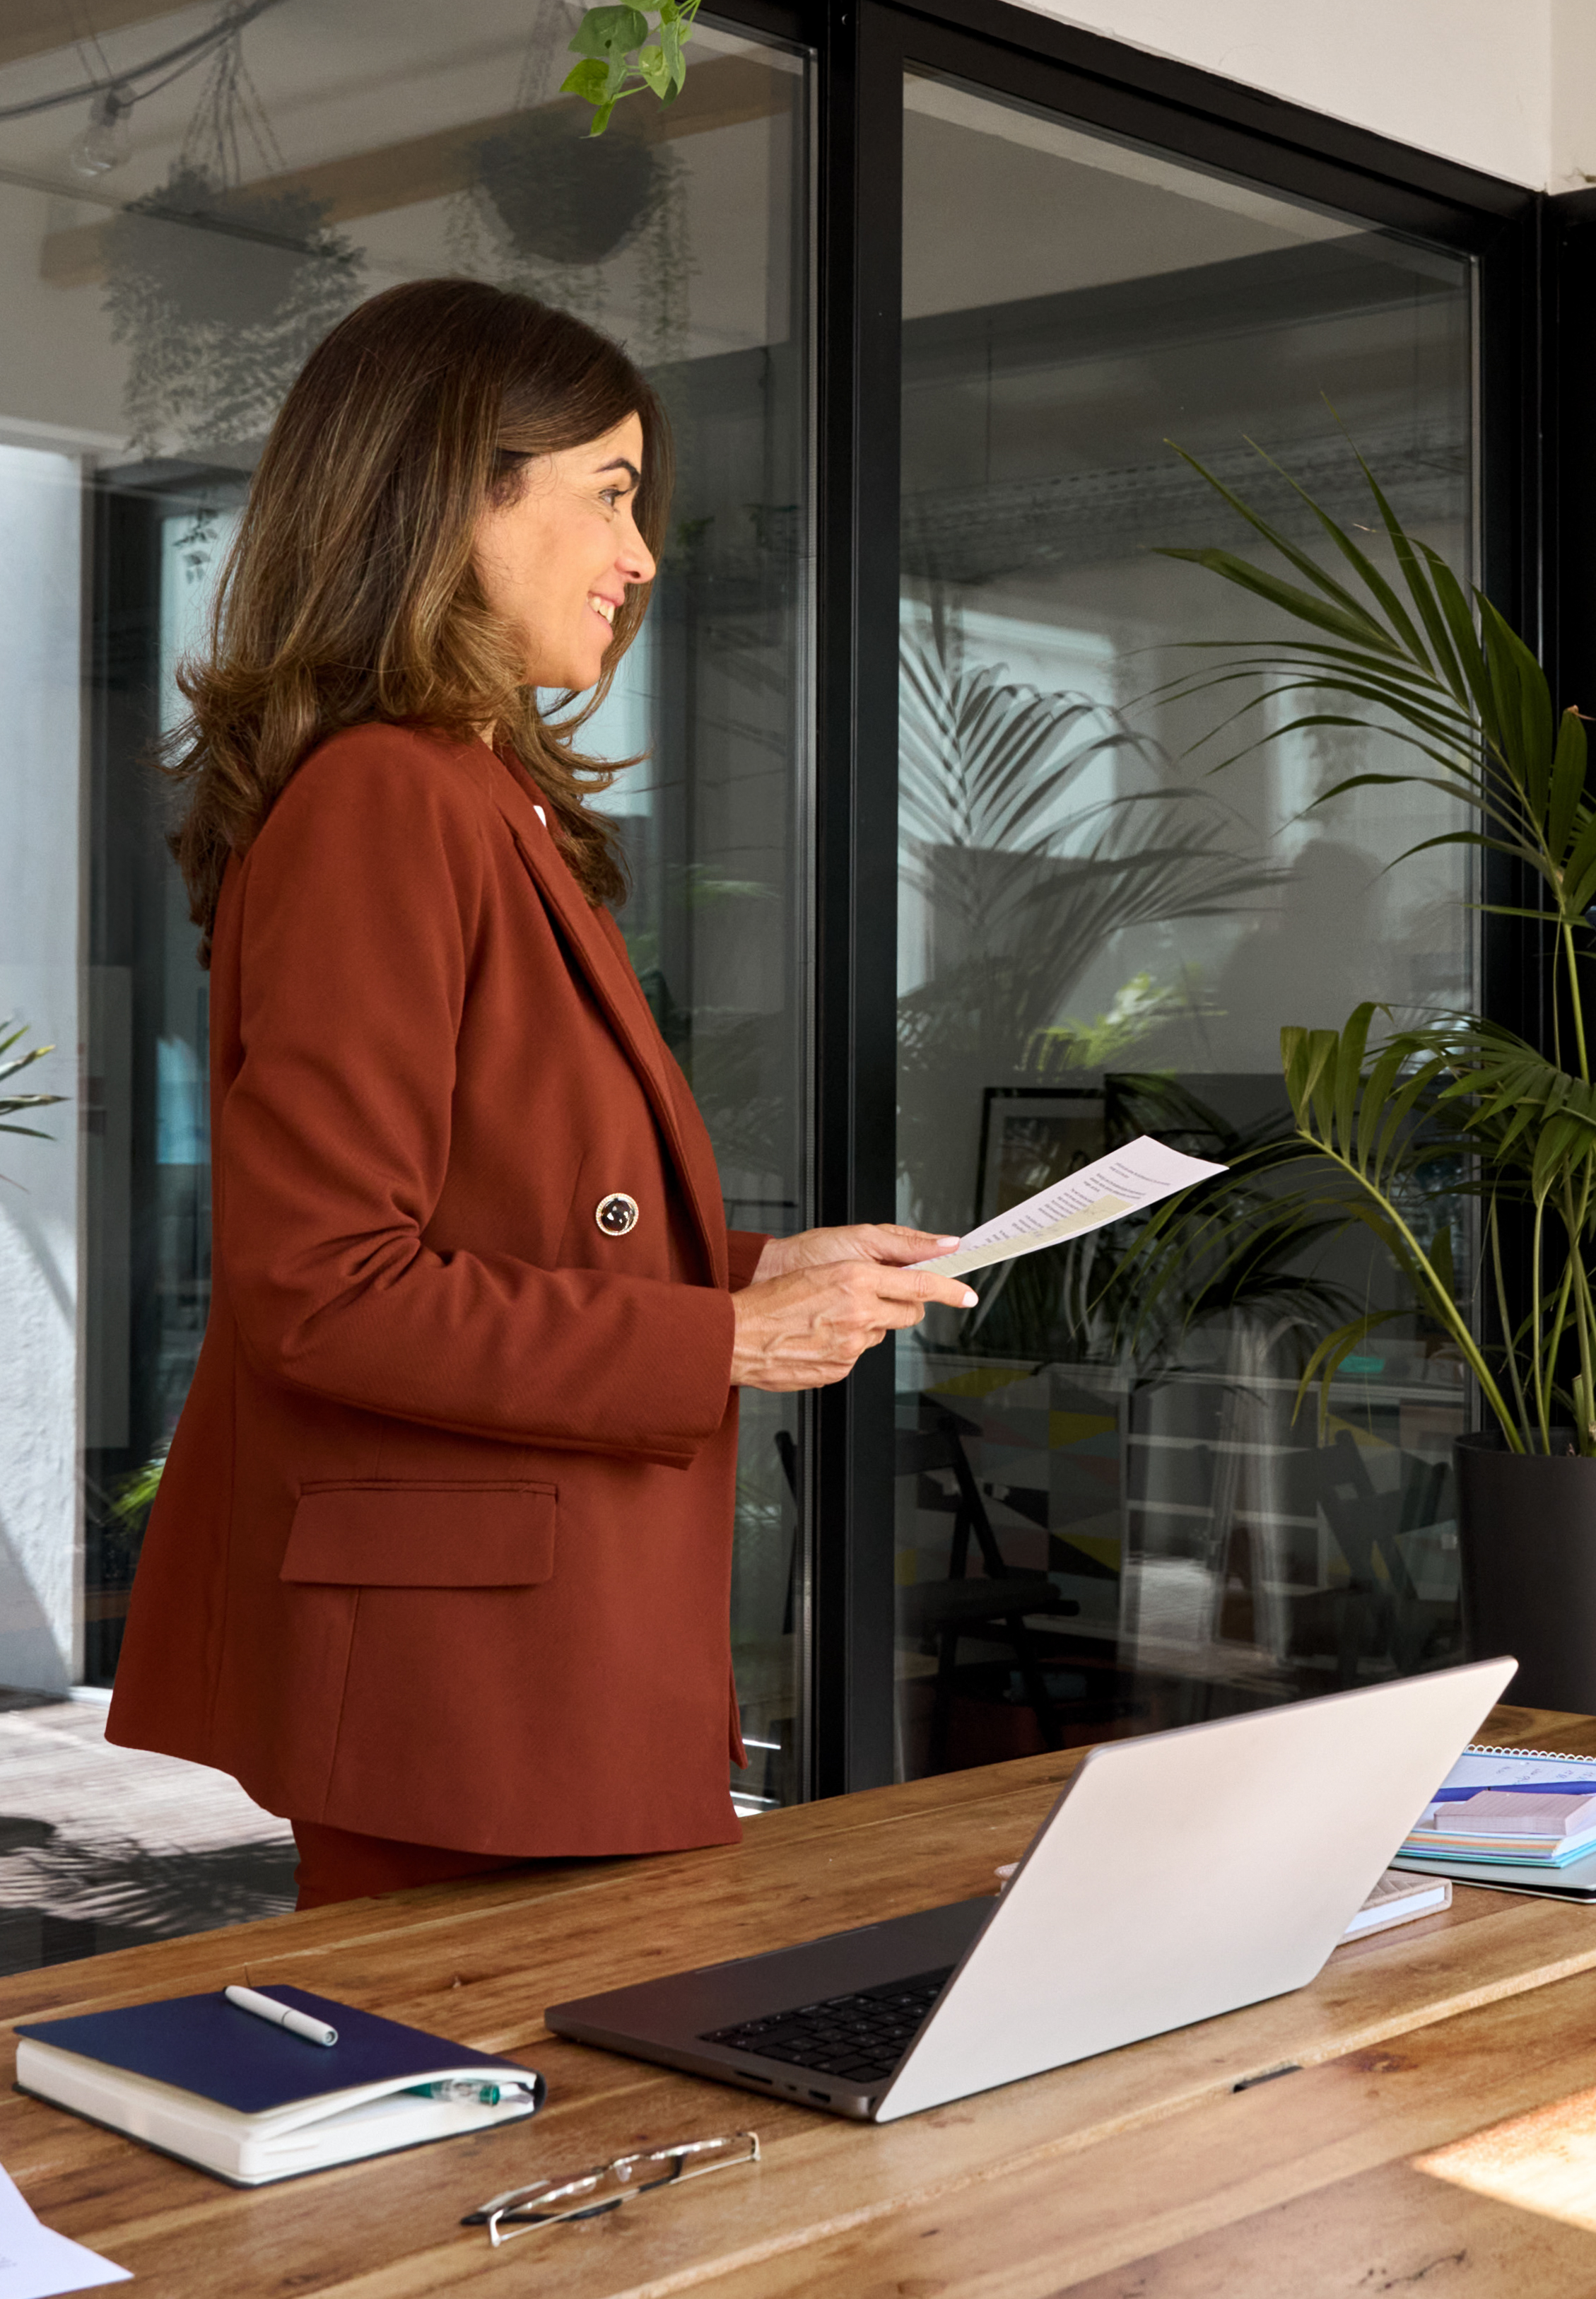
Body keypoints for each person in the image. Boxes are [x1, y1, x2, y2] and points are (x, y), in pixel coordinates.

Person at [108, 282, 970, 1909]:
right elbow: (324, 1285)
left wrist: (744, 1277)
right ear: (455, 489)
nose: (641, 555)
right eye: (610, 489)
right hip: (466, 1679)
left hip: (527, 1652)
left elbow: (505, 1217)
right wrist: (714, 1338)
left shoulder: (465, 795)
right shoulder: (385, 797)